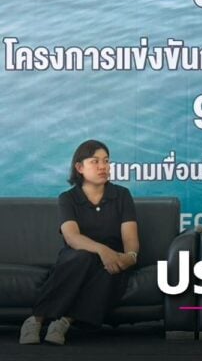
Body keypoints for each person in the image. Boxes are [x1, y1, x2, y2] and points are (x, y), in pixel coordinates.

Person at [19, 140, 139, 345]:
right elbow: (72, 237)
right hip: (77, 256)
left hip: (112, 259)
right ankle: (36, 319)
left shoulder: (122, 195)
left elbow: (130, 239)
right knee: (83, 258)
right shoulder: (68, 198)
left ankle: (64, 321)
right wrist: (101, 250)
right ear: (79, 167)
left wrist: (130, 257)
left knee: (109, 271)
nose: (103, 166)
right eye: (95, 161)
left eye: (106, 161)